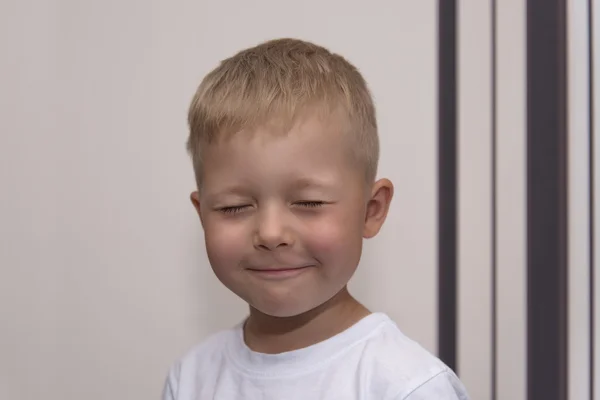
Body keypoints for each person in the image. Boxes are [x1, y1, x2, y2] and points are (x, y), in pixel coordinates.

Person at [162, 38, 469, 400]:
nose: (271, 233)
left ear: (371, 210)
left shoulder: (405, 386)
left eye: (308, 202)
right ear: (203, 216)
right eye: (234, 207)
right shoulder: (192, 378)